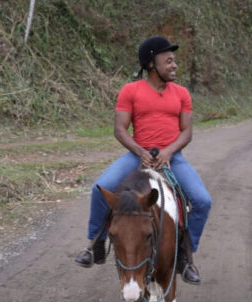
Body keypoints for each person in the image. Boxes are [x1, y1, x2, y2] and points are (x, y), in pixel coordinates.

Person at [75, 35, 211, 285]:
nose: (174, 65)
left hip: (172, 157)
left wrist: (169, 152)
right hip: (137, 155)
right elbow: (120, 129)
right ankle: (96, 242)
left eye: (174, 61)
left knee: (202, 200)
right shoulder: (130, 90)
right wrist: (140, 152)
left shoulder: (181, 93)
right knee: (100, 188)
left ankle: (185, 255)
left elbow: (187, 132)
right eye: (168, 61)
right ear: (151, 64)